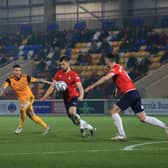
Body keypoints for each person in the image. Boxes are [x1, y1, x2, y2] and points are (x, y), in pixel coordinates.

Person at [85, 53, 168, 140]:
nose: (104, 61)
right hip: (134, 93)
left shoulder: (115, 68)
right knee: (143, 117)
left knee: (114, 111)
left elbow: (106, 78)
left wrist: (92, 86)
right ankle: (165, 126)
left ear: (108, 60)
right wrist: (117, 88)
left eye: (105, 60)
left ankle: (122, 135)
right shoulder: (120, 67)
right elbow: (124, 79)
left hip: (129, 93)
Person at [41, 56, 95, 137]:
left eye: (63, 64)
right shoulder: (58, 74)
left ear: (68, 63)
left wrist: (81, 95)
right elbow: (52, 86)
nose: (61, 66)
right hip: (66, 99)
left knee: (72, 112)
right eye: (60, 65)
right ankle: (88, 127)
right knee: (75, 121)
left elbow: (80, 87)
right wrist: (45, 97)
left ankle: (84, 127)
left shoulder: (73, 74)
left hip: (74, 97)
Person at [0, 64, 50, 135]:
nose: (18, 72)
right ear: (13, 71)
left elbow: (38, 80)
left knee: (22, 109)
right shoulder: (9, 79)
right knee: (31, 115)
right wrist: (1, 91)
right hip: (21, 100)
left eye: (19, 70)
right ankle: (46, 126)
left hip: (29, 97)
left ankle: (20, 127)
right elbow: (3, 87)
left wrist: (50, 83)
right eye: (16, 70)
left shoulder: (25, 77)